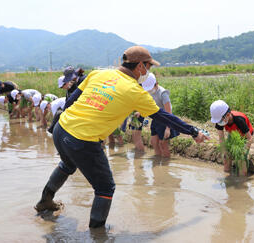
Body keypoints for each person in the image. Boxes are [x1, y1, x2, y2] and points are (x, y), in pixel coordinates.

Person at [35, 46, 208, 229]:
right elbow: (164, 116)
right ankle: (97, 235)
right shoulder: (135, 92)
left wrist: (58, 124)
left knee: (68, 164)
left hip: (61, 129)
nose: (148, 72)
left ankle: (45, 202)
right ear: (140, 66)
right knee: (105, 188)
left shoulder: (98, 74)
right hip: (82, 138)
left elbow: (71, 101)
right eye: (148, 67)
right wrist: (194, 132)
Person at [210, 100, 253, 175]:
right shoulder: (219, 121)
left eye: (220, 120)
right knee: (226, 157)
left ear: (228, 114)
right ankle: (227, 175)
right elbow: (221, 138)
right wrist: (224, 151)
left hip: (245, 136)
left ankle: (243, 178)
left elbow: (250, 139)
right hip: (232, 133)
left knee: (241, 159)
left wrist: (243, 152)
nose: (219, 123)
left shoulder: (239, 120)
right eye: (218, 121)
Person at [142, 73, 179, 157]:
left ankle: (165, 166)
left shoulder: (163, 93)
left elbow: (169, 112)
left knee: (163, 144)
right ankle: (158, 161)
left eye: (151, 88)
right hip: (156, 119)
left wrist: (168, 128)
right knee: (154, 142)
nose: (149, 90)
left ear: (156, 84)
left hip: (165, 120)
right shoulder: (148, 91)